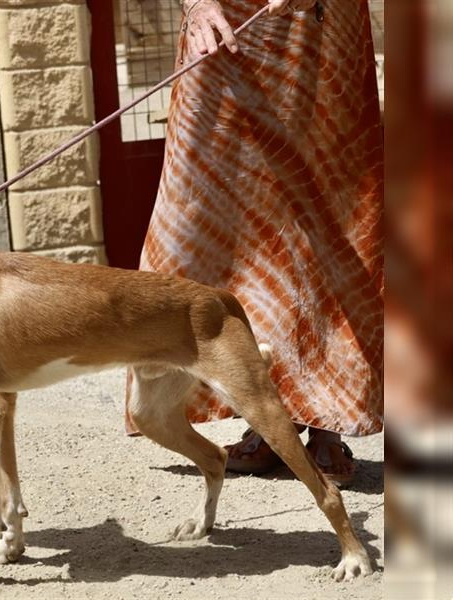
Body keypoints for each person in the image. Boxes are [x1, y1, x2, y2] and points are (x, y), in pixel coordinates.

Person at [124, 0, 384, 486]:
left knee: (327, 205)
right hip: (225, 26)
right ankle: (259, 410)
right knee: (202, 210)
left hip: (319, 27)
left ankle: (323, 414)